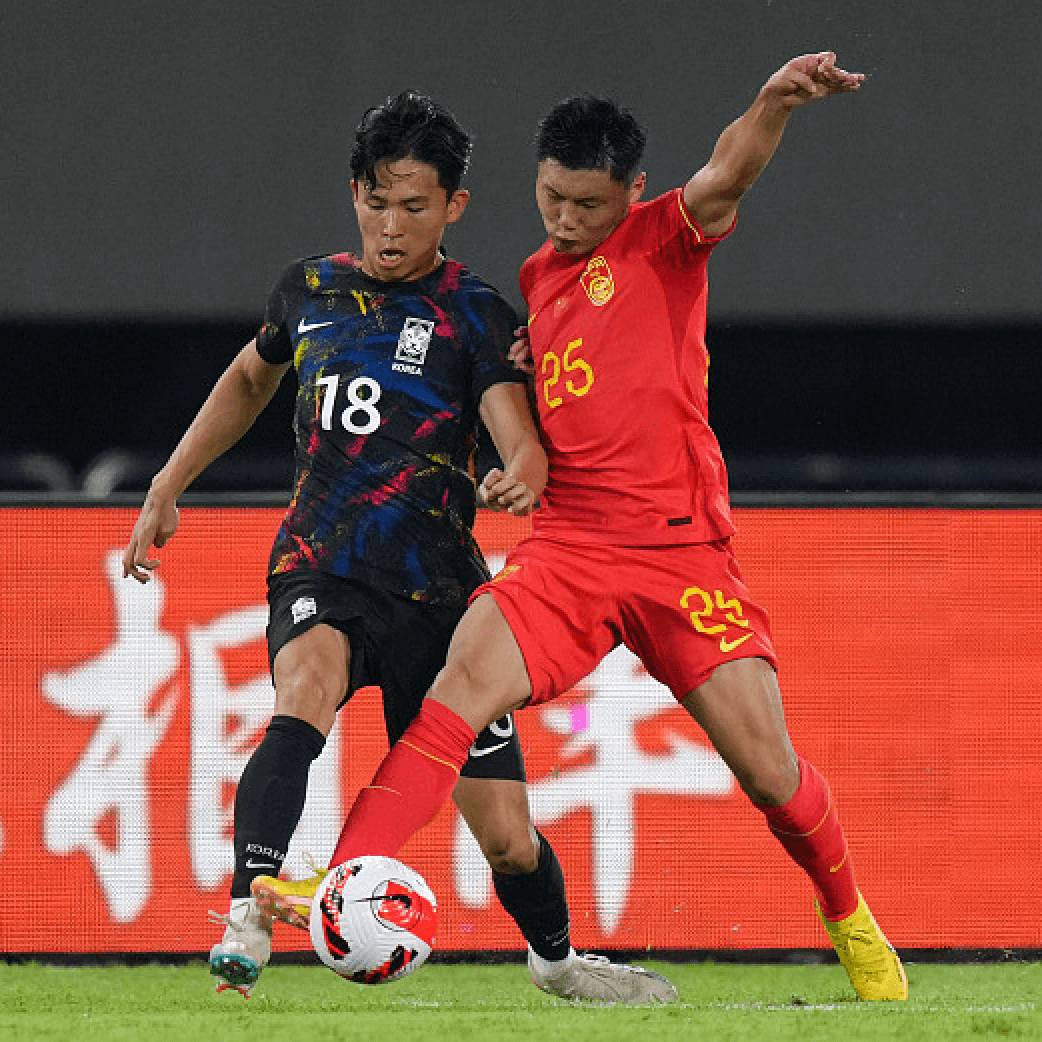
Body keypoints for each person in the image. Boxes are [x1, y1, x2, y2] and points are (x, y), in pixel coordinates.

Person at [305, 54, 909, 1003]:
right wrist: (519, 462)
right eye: (552, 197)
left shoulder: (666, 237)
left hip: (678, 553)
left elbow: (728, 171)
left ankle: (851, 918)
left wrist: (773, 103)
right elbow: (543, 416)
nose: (566, 218)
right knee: (455, 694)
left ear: (632, 190)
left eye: (588, 204)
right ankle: (344, 882)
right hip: (569, 551)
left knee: (770, 774)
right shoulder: (537, 282)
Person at [122, 91, 677, 1005]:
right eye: (376, 203)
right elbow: (248, 380)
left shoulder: (477, 312)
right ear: (355, 194)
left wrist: (523, 471)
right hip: (322, 563)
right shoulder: (308, 290)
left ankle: (558, 963)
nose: (390, 226)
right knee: (303, 692)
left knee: (507, 837)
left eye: (414, 207)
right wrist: (166, 484)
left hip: (441, 598)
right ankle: (248, 911)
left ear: (454, 206)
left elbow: (518, 433)